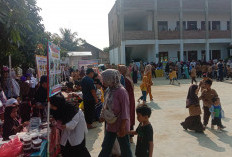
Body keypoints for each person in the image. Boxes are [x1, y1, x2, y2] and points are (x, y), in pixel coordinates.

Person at [99, 69, 132, 157]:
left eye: (104, 79)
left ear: (111, 79)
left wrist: (122, 127)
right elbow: (105, 105)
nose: (103, 81)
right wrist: (102, 116)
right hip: (111, 123)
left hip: (121, 124)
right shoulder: (109, 90)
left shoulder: (121, 92)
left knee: (125, 148)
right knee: (106, 146)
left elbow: (125, 111)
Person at [119, 65, 136, 143]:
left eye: (120, 70)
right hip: (131, 100)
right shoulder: (128, 78)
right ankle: (130, 136)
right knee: (130, 116)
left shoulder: (124, 79)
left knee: (127, 116)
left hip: (127, 100)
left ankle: (128, 136)